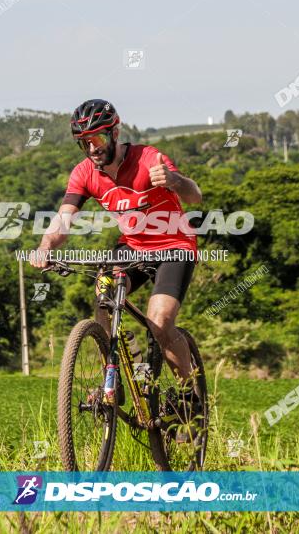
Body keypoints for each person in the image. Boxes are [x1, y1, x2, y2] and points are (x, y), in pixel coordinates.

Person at [30, 98, 202, 384]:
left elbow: (195, 195)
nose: (92, 148)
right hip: (133, 246)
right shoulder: (84, 173)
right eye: (84, 143)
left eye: (96, 138)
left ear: (115, 133)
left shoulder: (148, 158)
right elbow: (63, 219)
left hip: (175, 246)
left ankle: (188, 399)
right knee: (103, 293)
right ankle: (118, 373)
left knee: (159, 322)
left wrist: (173, 180)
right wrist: (46, 245)